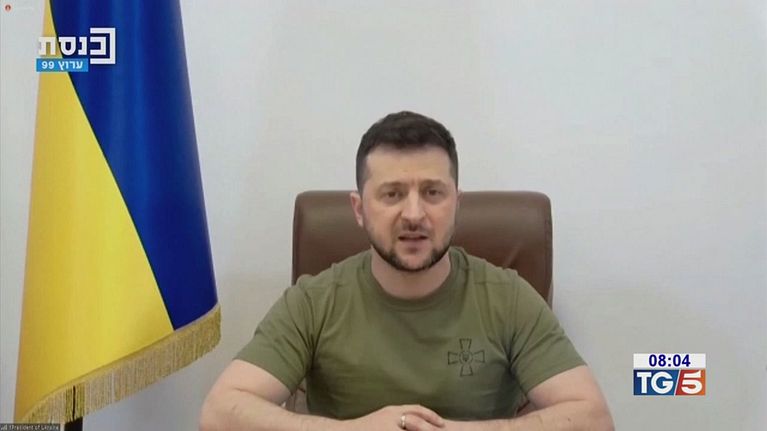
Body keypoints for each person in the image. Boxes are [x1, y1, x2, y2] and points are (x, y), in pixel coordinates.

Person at [199, 111, 614, 431]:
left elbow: (593, 418)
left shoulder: (507, 296)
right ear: (359, 209)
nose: (414, 214)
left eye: (432, 193)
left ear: (457, 204)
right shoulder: (314, 301)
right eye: (392, 194)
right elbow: (220, 413)